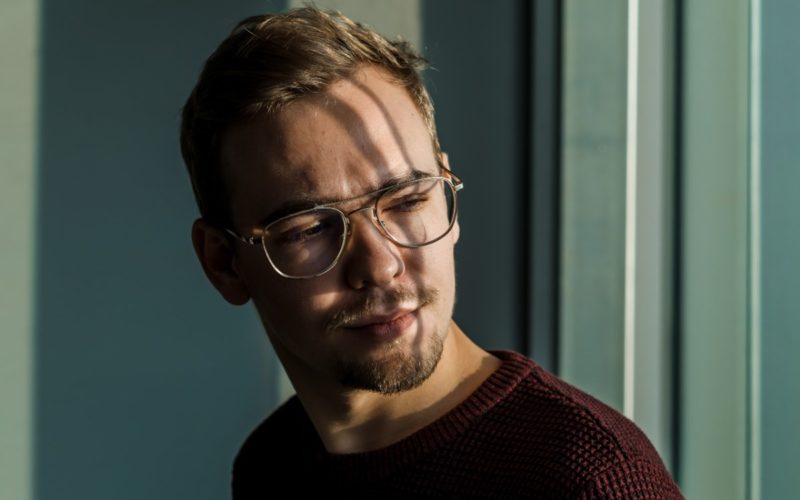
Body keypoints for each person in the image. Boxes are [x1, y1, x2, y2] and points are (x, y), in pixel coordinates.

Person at [180, 6, 683, 499]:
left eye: (407, 201)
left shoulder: (592, 479)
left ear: (447, 199)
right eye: (309, 228)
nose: (380, 265)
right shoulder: (273, 464)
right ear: (224, 263)